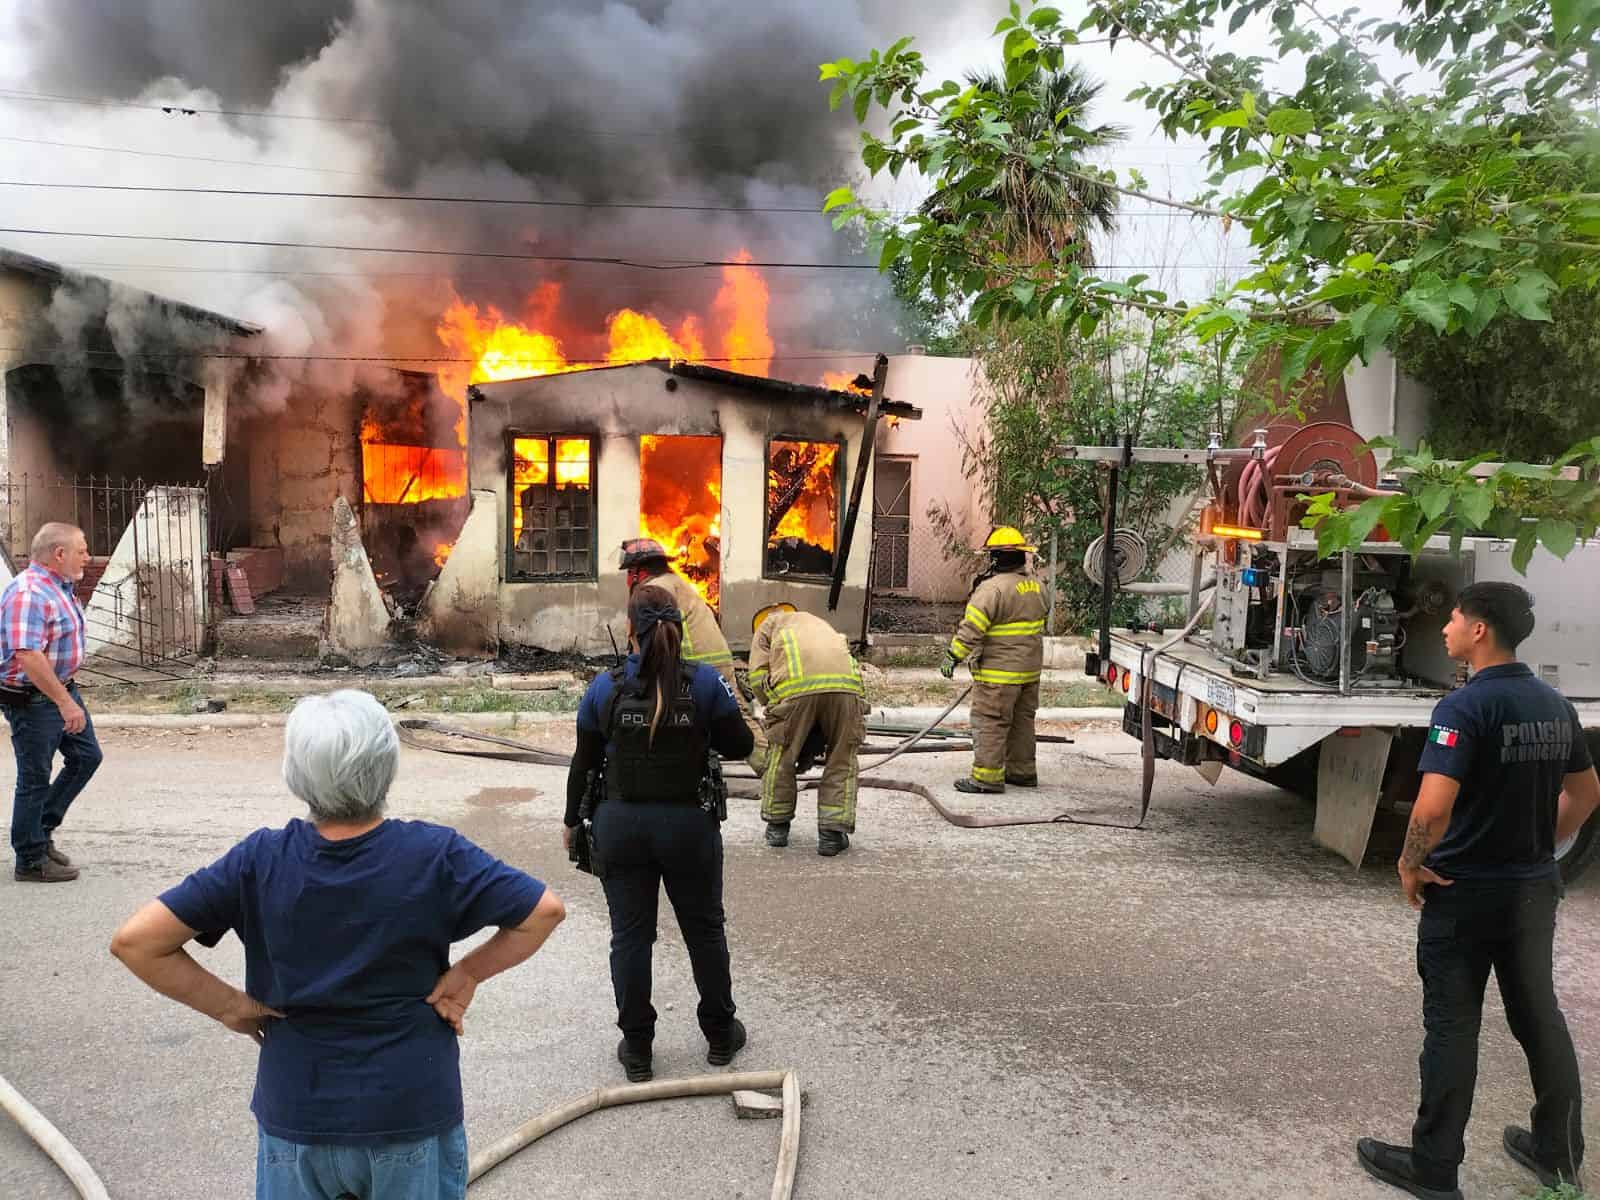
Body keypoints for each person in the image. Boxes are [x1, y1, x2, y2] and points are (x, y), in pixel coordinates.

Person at [110, 689, 565, 1200]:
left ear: (295, 773)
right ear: (387, 765)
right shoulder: (435, 853)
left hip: (297, 1117)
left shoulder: (260, 860)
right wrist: (466, 975)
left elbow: (138, 942)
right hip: (408, 1111)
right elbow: (542, 912)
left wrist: (232, 1007)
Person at [1358, 582, 1599, 1200]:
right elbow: (1587, 792)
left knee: (1452, 1028)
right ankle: (1558, 1155)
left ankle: (1434, 1170)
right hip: (1530, 893)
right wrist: (1542, 847)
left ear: (1480, 630)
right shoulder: (1555, 704)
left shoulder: (1463, 709)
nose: (1445, 628)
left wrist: (1410, 866)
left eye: (1455, 618)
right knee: (1540, 1019)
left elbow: (1433, 809)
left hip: (1463, 895)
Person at [566, 583, 754, 1083]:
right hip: (689, 826)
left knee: (630, 938)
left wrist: (570, 824)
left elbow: (583, 765)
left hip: (621, 826)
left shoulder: (604, 688)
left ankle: (638, 1048)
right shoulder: (707, 683)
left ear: (630, 628)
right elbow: (741, 745)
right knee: (704, 930)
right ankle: (719, 1035)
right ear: (680, 626)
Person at [2, 522, 100, 883]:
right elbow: (28, 654)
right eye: (82, 550)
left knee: (87, 756)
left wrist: (65, 696)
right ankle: (29, 858)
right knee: (35, 777)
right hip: (35, 698)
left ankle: (38, 833)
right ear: (59, 554)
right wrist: (64, 703)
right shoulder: (29, 594)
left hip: (59, 690)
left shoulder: (60, 586)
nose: (87, 558)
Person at [618, 537, 766, 768]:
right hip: (716, 660)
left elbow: (649, 634)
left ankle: (767, 768)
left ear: (639, 572)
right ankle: (764, 767)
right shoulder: (673, 581)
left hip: (699, 663)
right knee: (735, 715)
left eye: (629, 573)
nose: (627, 580)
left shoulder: (655, 590)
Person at [749, 603, 866, 857]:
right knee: (842, 759)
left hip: (796, 690)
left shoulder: (766, 627)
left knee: (781, 756)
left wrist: (774, 709)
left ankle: (777, 827)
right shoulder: (817, 623)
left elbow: (757, 679)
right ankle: (831, 833)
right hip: (847, 690)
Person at [939, 526, 1047, 795]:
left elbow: (972, 628)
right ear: (1023, 556)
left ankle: (986, 779)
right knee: (1022, 722)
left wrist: (953, 656)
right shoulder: (1038, 586)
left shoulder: (992, 590)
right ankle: (1022, 772)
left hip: (998, 675)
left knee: (990, 721)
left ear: (995, 558)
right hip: (1029, 673)